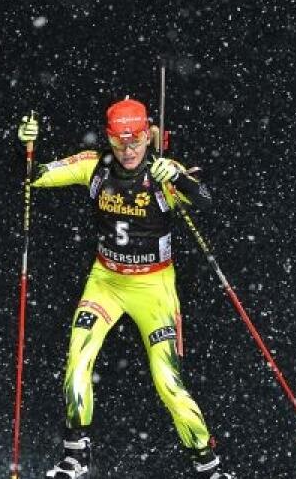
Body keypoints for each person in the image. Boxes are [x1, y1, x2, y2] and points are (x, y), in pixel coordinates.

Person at [17, 97, 234, 479]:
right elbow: (34, 176)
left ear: (149, 137)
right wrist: (24, 146)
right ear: (109, 139)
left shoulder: (163, 171)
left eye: (136, 142)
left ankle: (208, 465)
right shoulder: (93, 166)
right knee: (77, 364)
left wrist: (178, 178)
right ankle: (75, 455)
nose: (129, 151)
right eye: (120, 143)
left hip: (153, 287)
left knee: (168, 382)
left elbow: (206, 199)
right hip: (106, 282)